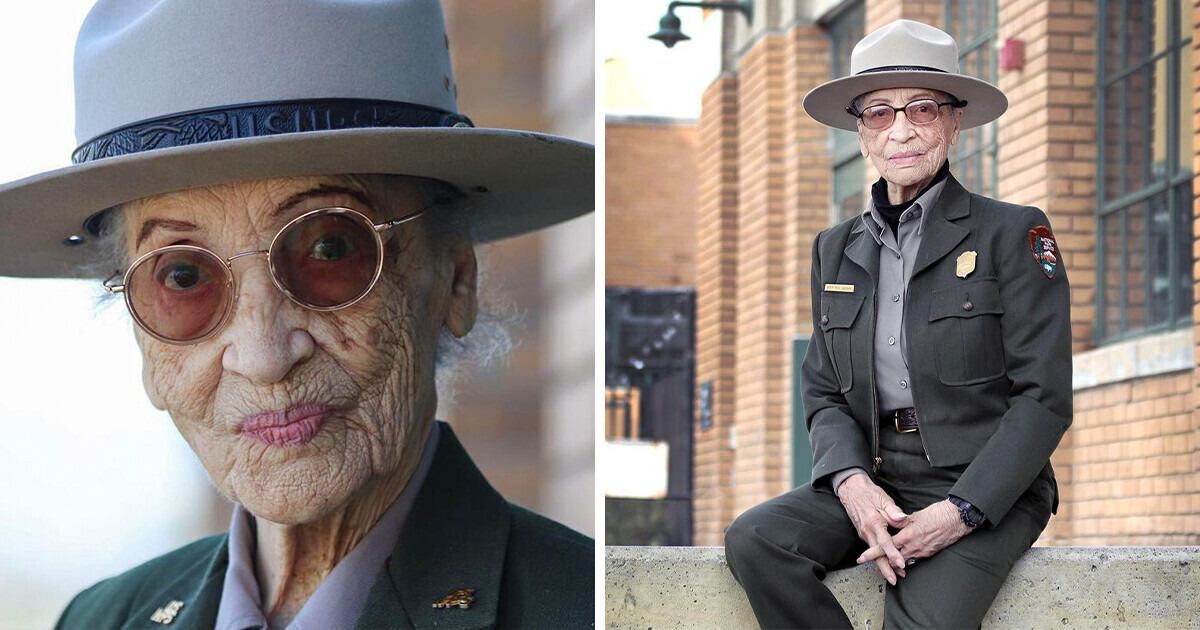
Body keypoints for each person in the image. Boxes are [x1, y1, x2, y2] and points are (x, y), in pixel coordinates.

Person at [0, 0, 594, 628]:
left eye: (330, 249)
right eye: (183, 275)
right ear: (146, 352)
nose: (263, 356)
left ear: (453, 278)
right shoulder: (100, 618)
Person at [723, 19, 1071, 629]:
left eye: (922, 110)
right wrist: (852, 484)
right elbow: (825, 391)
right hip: (880, 477)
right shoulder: (833, 248)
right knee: (758, 540)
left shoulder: (1013, 233)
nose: (901, 130)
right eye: (880, 113)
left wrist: (961, 510)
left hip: (987, 485)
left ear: (954, 121)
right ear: (861, 132)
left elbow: (1043, 399)